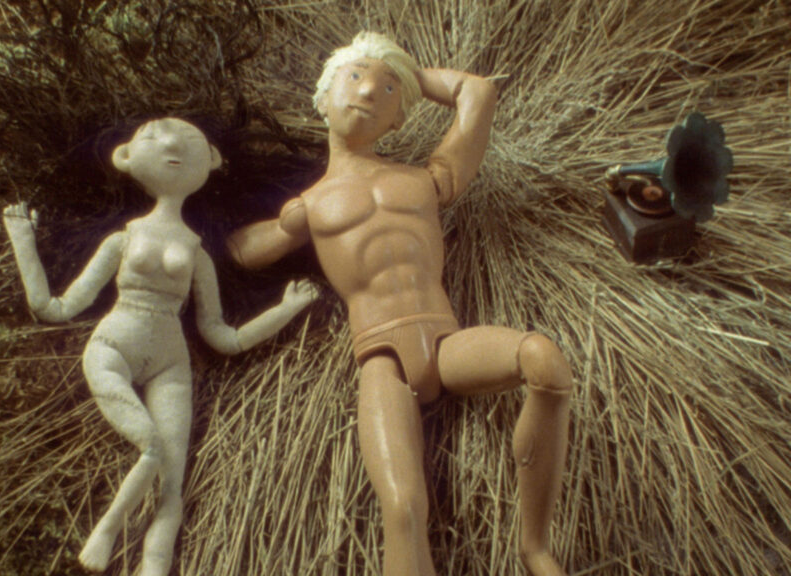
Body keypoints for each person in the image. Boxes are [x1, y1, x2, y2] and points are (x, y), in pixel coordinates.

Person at [227, 32, 573, 576]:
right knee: (405, 506)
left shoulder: (426, 180)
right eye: (354, 77)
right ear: (323, 96)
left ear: (398, 121)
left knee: (544, 360)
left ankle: (534, 547)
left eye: (387, 90)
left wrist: (406, 73)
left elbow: (477, 92)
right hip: (381, 358)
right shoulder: (308, 207)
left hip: (447, 341)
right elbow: (239, 252)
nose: (368, 91)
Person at [3, 117, 317, 575]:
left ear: (211, 161)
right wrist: (22, 240)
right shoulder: (123, 239)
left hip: (172, 363)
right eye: (153, 137)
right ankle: (108, 528)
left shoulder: (197, 253)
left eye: (189, 140)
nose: (171, 143)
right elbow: (54, 307)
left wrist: (286, 309)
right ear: (126, 157)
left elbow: (224, 337)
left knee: (172, 485)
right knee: (150, 448)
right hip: (112, 347)